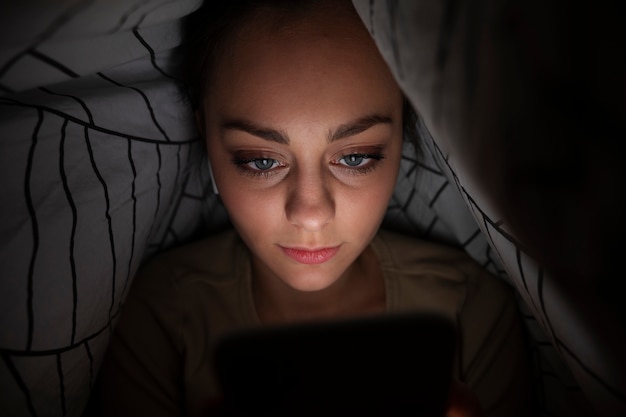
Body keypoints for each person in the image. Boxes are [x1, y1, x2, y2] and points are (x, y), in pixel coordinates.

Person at [94, 1, 531, 416]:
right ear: (205, 137)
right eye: (262, 161)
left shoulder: (471, 312)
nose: (310, 213)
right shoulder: (162, 319)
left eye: (356, 157)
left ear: (404, 137)